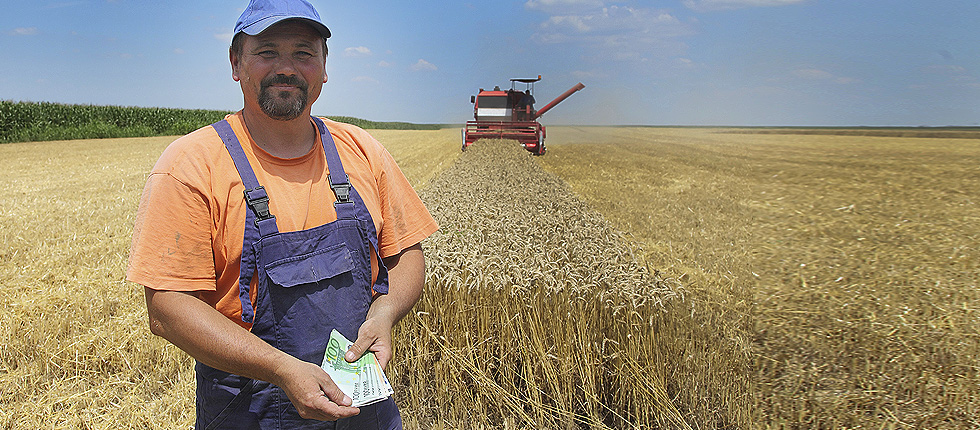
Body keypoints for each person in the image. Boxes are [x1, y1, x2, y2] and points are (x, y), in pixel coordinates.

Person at [126, 0, 437, 428]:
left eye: (304, 53)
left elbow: (407, 254)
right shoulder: (191, 165)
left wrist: (384, 313)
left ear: (324, 67)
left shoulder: (362, 151)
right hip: (250, 410)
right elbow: (167, 307)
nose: (286, 68)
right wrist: (280, 369)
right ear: (236, 63)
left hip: (364, 405)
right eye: (267, 51)